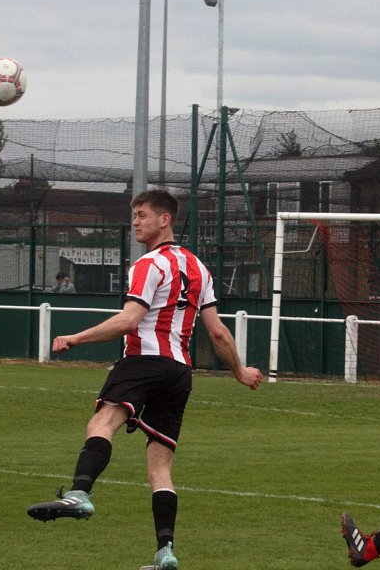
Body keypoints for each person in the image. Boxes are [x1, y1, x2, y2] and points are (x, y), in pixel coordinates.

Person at [26, 189, 263, 570]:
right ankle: (165, 551)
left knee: (102, 423)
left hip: (144, 361)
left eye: (141, 215)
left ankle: (79, 493)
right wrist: (240, 371)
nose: (135, 222)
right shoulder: (199, 268)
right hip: (179, 373)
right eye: (134, 215)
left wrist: (75, 338)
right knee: (160, 466)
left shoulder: (148, 264)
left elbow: (129, 320)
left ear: (164, 220)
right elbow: (217, 331)